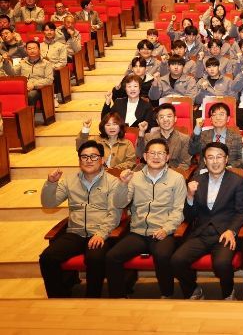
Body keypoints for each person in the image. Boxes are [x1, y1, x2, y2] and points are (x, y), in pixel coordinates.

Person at [40, 140, 122, 298]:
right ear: (79, 160)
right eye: (84, 157)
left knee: (95, 258)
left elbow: (114, 213)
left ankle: (92, 299)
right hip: (75, 232)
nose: (89, 160)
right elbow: (49, 203)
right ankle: (58, 299)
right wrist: (51, 183)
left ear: (102, 160)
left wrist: (101, 234)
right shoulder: (70, 180)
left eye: (93, 156)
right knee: (47, 258)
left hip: (99, 232)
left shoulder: (112, 182)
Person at [106, 139, 186, 298]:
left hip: (163, 231)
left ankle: (167, 294)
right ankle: (118, 296)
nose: (156, 157)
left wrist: (166, 229)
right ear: (144, 156)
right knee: (112, 257)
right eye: (152, 153)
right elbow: (120, 203)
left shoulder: (177, 178)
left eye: (160, 153)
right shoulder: (134, 177)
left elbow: (179, 210)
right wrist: (122, 184)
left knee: (162, 255)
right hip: (138, 231)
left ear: (167, 157)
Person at [171, 142, 243, 300]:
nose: (215, 161)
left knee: (222, 264)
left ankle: (228, 293)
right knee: (177, 260)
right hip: (201, 233)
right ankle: (194, 290)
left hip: (224, 234)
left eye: (219, 157)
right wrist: (190, 196)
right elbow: (189, 216)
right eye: (210, 157)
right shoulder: (197, 180)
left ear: (226, 159)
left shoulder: (237, 181)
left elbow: (241, 213)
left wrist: (231, 230)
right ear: (205, 161)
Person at [135, 103, 192, 172]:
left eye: (169, 116)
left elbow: (185, 164)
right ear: (157, 121)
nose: (165, 120)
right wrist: (141, 133)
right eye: (161, 117)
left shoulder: (184, 139)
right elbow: (139, 154)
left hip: (172, 174)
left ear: (175, 119)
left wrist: (169, 175)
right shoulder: (149, 137)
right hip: (150, 172)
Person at [189, 102, 243, 170]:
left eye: (221, 114)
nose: (218, 118)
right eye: (214, 115)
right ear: (211, 119)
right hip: (205, 172)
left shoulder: (236, 137)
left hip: (228, 172)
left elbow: (242, 160)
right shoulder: (203, 135)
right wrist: (197, 128)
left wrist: (230, 167)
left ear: (228, 118)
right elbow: (192, 151)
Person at [1, 40, 54, 106]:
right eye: (29, 49)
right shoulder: (23, 62)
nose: (32, 51)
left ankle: (30, 112)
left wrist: (34, 85)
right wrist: (6, 62)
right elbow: (12, 73)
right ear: (26, 50)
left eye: (34, 48)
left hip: (39, 89)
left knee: (30, 95)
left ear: (39, 50)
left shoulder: (46, 63)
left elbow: (49, 80)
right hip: (23, 87)